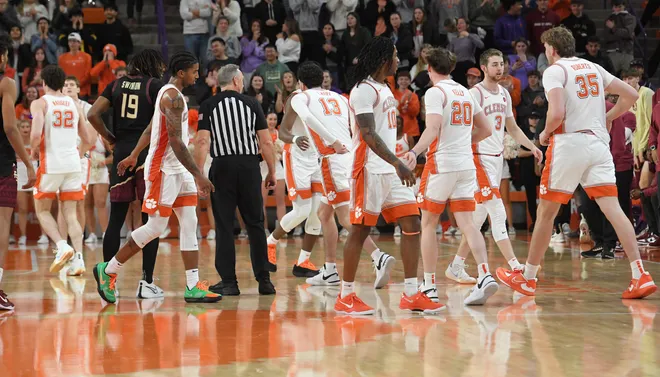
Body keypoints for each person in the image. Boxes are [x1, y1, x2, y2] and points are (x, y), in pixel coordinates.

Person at [499, 26, 656, 299]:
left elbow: (557, 112)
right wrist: (609, 117)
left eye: (546, 48)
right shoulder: (594, 67)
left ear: (553, 49)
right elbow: (630, 96)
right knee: (614, 210)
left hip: (570, 143)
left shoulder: (555, 71)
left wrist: (546, 133)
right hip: (598, 145)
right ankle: (640, 274)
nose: (546, 52)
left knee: (546, 213)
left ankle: (528, 277)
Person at [94, 51, 219, 305]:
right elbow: (173, 140)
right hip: (163, 170)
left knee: (189, 220)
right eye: (195, 71)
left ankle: (193, 285)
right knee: (156, 227)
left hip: (178, 170)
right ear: (182, 72)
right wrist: (199, 174)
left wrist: (132, 154)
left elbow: (152, 127)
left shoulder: (171, 94)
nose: (198, 75)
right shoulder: (171, 96)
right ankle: (108, 270)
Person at [335, 37, 442, 315]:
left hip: (390, 167)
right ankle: (345, 296)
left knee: (412, 222)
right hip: (369, 168)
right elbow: (368, 134)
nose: (398, 61)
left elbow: (385, 130)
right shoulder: (362, 90)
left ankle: (410, 293)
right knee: (359, 230)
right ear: (384, 60)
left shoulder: (386, 88)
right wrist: (397, 161)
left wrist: (399, 154)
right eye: (395, 56)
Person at [399, 47, 494, 305]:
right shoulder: (466, 91)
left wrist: (415, 151)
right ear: (451, 68)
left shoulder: (434, 92)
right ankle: (485, 274)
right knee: (468, 223)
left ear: (429, 68)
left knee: (428, 223)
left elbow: (432, 128)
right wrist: (463, 141)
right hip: (466, 165)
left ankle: (429, 286)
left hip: (441, 164)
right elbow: (486, 129)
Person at [442, 49, 542, 288]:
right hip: (478, 158)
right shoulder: (473, 94)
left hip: (497, 160)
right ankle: (516, 267)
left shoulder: (505, 96)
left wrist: (533, 147)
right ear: (484, 68)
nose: (500, 68)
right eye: (495, 65)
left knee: (477, 218)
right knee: (497, 212)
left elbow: (513, 129)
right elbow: (463, 128)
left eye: (502, 64)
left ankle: (456, 265)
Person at [284, 61, 383, 287]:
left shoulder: (300, 97)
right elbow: (357, 124)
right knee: (323, 214)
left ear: (300, 83)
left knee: (345, 218)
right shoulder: (340, 97)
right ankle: (330, 269)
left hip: (331, 158)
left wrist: (333, 142)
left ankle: (379, 257)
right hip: (350, 156)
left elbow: (308, 120)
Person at [87, 49, 166, 299]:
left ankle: (109, 279)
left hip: (121, 151)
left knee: (116, 219)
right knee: (150, 221)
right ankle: (147, 282)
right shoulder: (155, 86)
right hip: (145, 153)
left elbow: (92, 114)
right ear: (151, 65)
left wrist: (110, 137)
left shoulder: (115, 84)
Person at [194, 64, 277, 296]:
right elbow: (266, 141)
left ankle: (229, 283)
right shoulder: (252, 104)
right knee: (255, 224)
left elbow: (202, 142)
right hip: (250, 167)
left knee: (223, 226)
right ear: (237, 81)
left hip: (222, 168)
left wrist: (199, 175)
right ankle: (265, 281)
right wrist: (271, 171)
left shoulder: (208, 105)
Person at [29, 65, 91, 276]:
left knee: (42, 209)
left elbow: (36, 133)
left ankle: (62, 246)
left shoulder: (40, 103)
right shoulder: (75, 105)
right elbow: (88, 139)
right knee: (71, 215)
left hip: (51, 164)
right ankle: (79, 259)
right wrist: (78, 155)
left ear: (44, 83)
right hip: (73, 164)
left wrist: (33, 151)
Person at [15, 120, 47, 245]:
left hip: (36, 175)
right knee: (22, 208)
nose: (25, 128)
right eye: (22, 126)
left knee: (40, 208)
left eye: (27, 126)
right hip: (20, 175)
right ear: (18, 128)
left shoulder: (36, 142)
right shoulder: (15, 143)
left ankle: (44, 235)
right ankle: (22, 236)